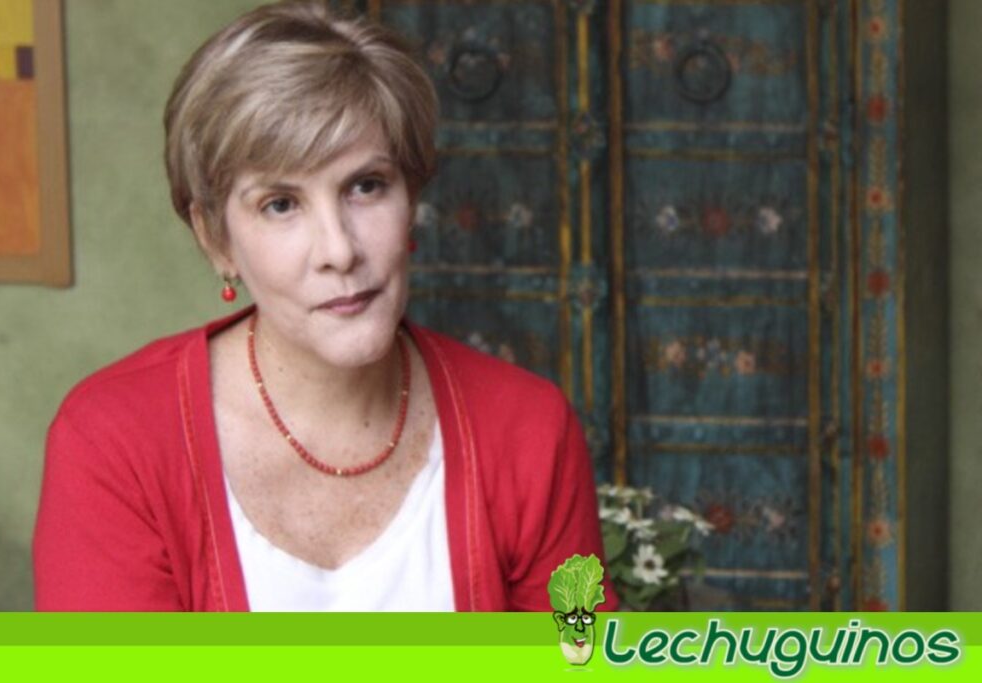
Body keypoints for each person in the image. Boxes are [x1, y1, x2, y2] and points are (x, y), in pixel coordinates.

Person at [33, 0, 616, 612]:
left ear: (412, 197)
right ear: (215, 239)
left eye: (366, 186)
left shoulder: (528, 431)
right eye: (281, 204)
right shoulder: (114, 444)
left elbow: (577, 655)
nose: (339, 250)